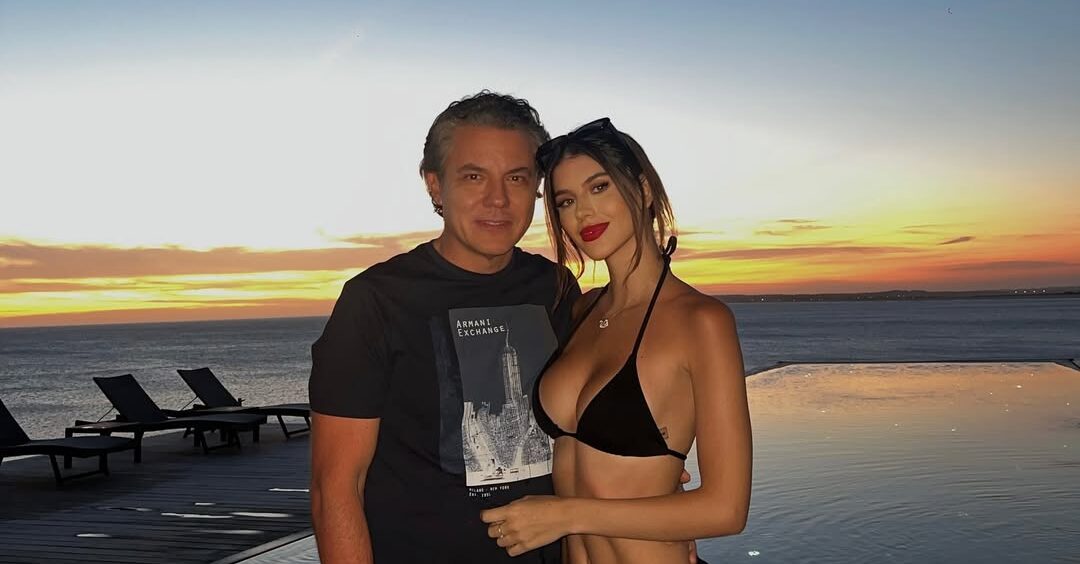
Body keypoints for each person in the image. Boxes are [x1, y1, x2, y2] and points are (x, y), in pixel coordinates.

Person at [308, 91, 581, 563]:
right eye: (474, 176)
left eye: (516, 178)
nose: (498, 199)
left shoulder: (555, 288)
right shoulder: (376, 301)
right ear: (435, 186)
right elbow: (335, 487)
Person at [480, 118, 752, 564]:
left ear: (643, 191)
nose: (583, 213)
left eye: (599, 187)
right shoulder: (581, 310)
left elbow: (726, 509)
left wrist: (564, 516)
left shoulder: (701, 322)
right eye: (566, 201)